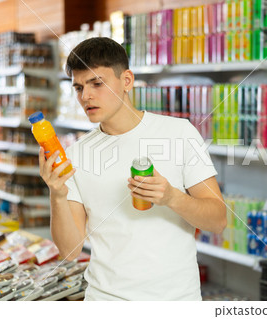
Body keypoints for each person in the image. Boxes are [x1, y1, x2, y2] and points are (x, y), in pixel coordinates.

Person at [38, 37, 226, 301]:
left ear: (126, 80)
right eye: (79, 87)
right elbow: (70, 252)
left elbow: (218, 220)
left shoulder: (178, 133)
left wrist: (172, 197)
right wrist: (56, 194)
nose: (86, 96)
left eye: (97, 83)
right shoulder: (75, 155)